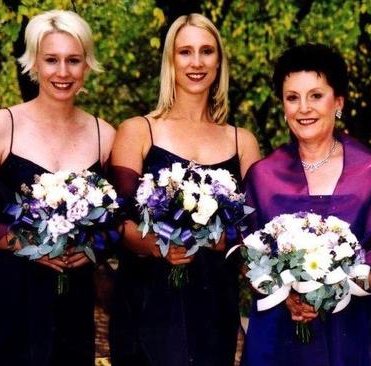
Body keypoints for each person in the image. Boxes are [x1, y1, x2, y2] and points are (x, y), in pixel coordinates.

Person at [0, 9, 116, 366]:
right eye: (51, 60)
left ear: (87, 65)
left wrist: (91, 248)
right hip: (2, 298)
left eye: (74, 60)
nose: (63, 72)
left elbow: (115, 221)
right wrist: (26, 243)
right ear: (34, 64)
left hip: (69, 304)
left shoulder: (105, 135)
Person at [108, 13, 261, 366]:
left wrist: (228, 241)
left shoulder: (242, 142)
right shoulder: (137, 131)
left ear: (219, 60)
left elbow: (255, 231)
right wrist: (159, 247)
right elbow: (117, 222)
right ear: (170, 60)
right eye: (185, 52)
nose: (196, 62)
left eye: (206, 51)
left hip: (212, 306)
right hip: (147, 301)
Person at [240, 44, 371, 366]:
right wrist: (286, 295)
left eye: (315, 95)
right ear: (283, 106)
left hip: (351, 331)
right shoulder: (263, 176)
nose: (303, 108)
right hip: (280, 331)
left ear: (337, 102)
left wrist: (334, 291)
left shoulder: (368, 171)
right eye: (292, 97)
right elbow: (244, 254)